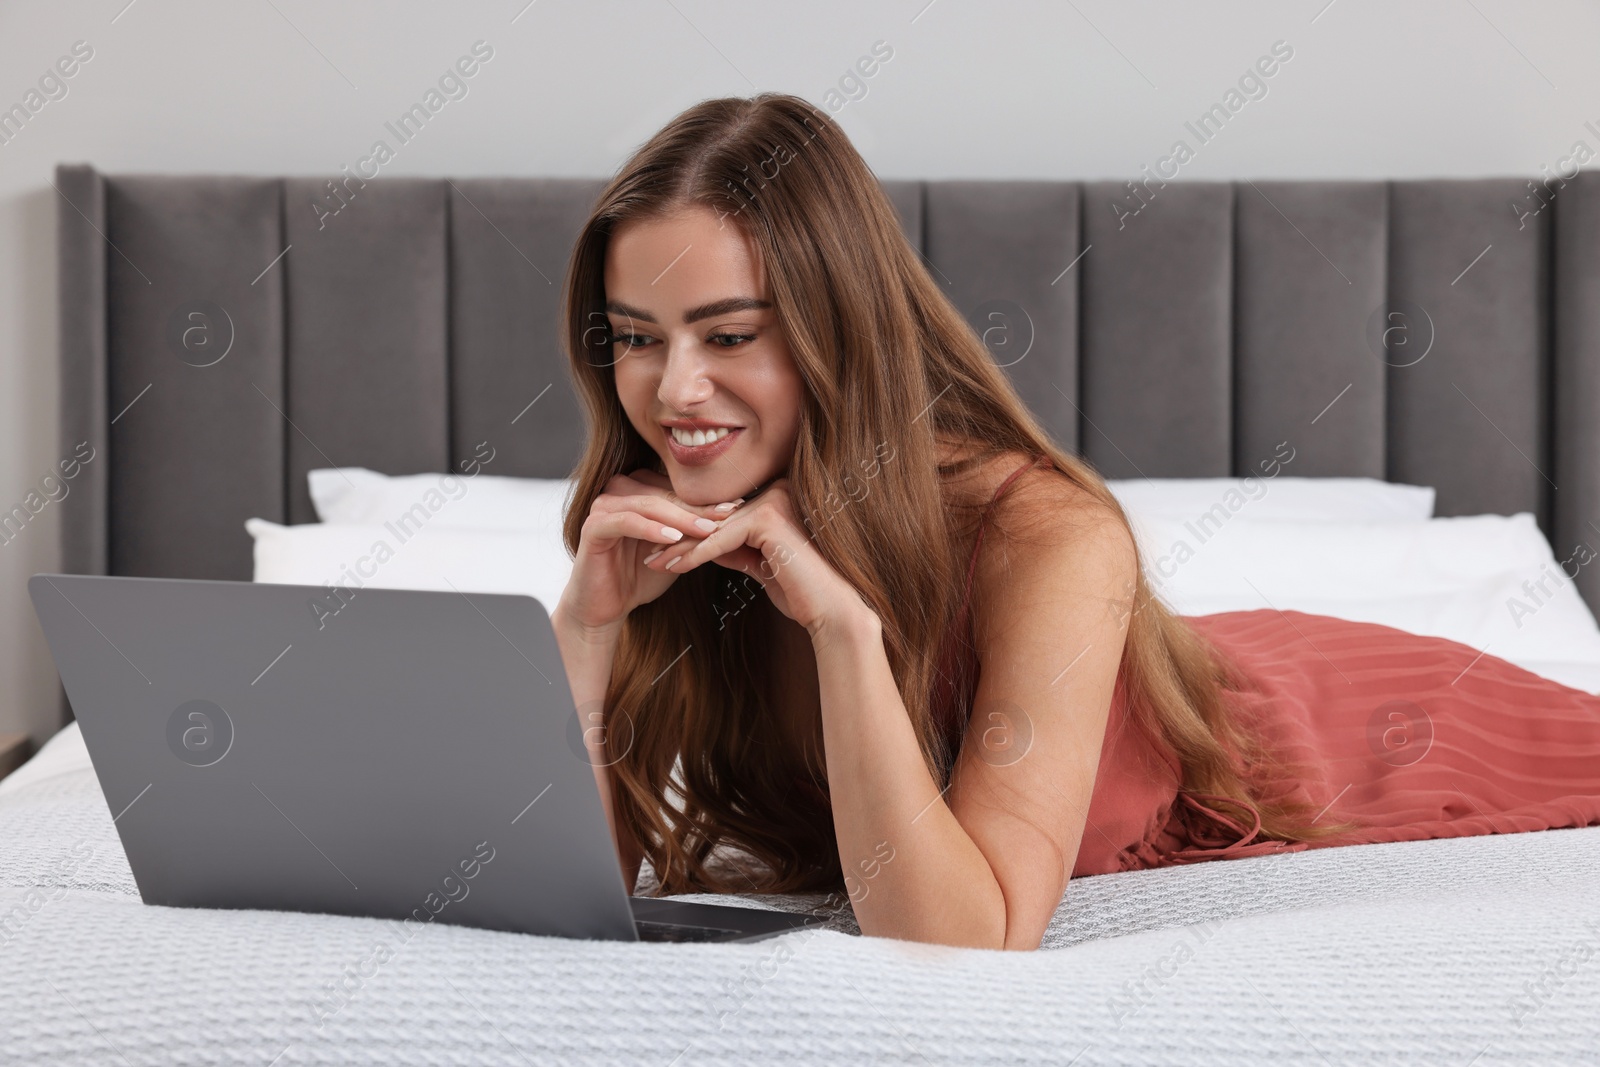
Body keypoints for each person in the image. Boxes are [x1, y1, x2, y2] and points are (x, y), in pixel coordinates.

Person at [548, 92, 1600, 951]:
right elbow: (561, 894)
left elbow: (965, 940)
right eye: (637, 336)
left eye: (727, 335)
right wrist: (585, 633)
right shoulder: (671, 537)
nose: (675, 388)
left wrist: (842, 629)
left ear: (842, 332)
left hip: (1328, 733)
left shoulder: (1048, 534)